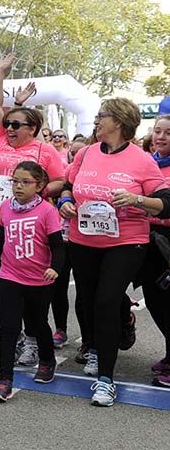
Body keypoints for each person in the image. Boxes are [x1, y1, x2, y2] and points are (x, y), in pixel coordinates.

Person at [60, 98, 170, 406]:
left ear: (118, 122)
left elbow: (166, 202)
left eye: (101, 117)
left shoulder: (142, 160)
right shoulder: (86, 153)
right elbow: (68, 185)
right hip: (84, 241)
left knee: (107, 302)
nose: (96, 121)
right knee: (89, 301)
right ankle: (97, 348)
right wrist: (64, 202)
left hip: (126, 243)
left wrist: (136, 200)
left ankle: (106, 380)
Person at [0, 54, 65, 331]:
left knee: (25, 281)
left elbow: (60, 180)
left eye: (16, 125)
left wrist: (36, 192)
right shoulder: (0, 140)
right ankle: (7, 325)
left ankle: (29, 333)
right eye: (8, 125)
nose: (10, 129)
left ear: (33, 129)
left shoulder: (45, 151)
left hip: (29, 222)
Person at [0, 162, 65, 402]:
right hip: (10, 275)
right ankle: (4, 380)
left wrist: (54, 268)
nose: (18, 186)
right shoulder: (7, 206)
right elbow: (4, 230)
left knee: (38, 323)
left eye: (25, 182)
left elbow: (58, 246)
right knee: (9, 328)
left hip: (39, 279)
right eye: (15, 181)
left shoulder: (47, 211)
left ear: (39, 186)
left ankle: (48, 361)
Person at [147, 115, 170, 388]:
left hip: (167, 239)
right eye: (157, 131)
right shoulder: (148, 163)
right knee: (156, 301)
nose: (161, 137)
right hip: (148, 239)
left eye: (167, 133)